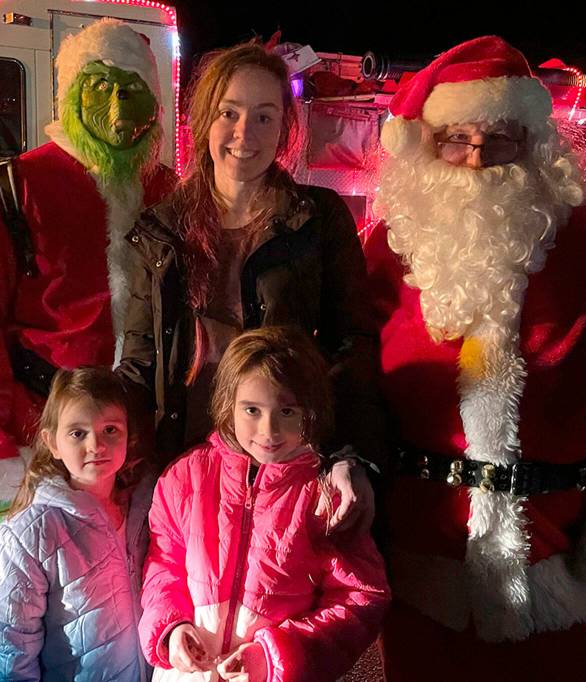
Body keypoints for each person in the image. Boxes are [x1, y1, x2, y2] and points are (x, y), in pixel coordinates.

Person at [367, 36, 586, 680]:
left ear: (533, 141)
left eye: (500, 137)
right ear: (426, 143)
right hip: (424, 552)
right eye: (456, 137)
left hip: (551, 549)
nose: (478, 156)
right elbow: (352, 387)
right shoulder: (386, 246)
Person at [0, 19, 176, 679]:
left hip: (132, 446)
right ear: (70, 93)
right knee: (13, 621)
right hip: (26, 443)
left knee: (121, 617)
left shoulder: (168, 194)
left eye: (132, 89)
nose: (114, 106)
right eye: (100, 86)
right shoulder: (14, 188)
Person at [117, 41, 385, 534]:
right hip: (185, 466)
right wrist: (106, 449)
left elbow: (353, 343)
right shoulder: (161, 229)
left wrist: (351, 453)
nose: (245, 133)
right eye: (229, 112)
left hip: (286, 466)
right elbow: (140, 359)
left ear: (284, 127)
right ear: (203, 120)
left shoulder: (317, 219)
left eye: (265, 116)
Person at [137, 326, 390, 682]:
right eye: (252, 410)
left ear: (311, 410)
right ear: (229, 404)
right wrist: (171, 627)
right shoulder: (185, 477)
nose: (268, 430)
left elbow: (359, 598)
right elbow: (164, 566)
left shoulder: (325, 496)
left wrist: (275, 656)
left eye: (287, 411)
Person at [0, 368, 154, 682]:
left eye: (111, 429)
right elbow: (9, 635)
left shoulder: (145, 507)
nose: (96, 445)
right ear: (52, 442)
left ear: (130, 435)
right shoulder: (31, 533)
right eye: (77, 433)